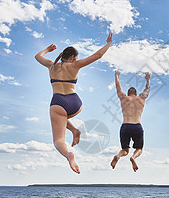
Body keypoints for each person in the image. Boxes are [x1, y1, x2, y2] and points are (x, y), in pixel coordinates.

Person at [35, 33, 113, 174]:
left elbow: (37, 56)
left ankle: (68, 155)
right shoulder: (75, 65)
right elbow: (97, 56)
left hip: (58, 103)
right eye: (75, 58)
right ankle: (75, 130)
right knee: (63, 118)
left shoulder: (51, 66)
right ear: (72, 58)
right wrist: (108, 44)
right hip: (75, 103)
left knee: (58, 140)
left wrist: (47, 49)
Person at [110, 71, 150, 172]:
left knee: (125, 150)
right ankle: (133, 157)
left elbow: (118, 88)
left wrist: (116, 76)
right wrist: (148, 79)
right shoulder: (141, 98)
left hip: (125, 126)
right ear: (136, 94)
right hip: (137, 126)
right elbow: (147, 89)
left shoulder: (124, 98)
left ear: (128, 94)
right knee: (139, 148)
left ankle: (118, 156)